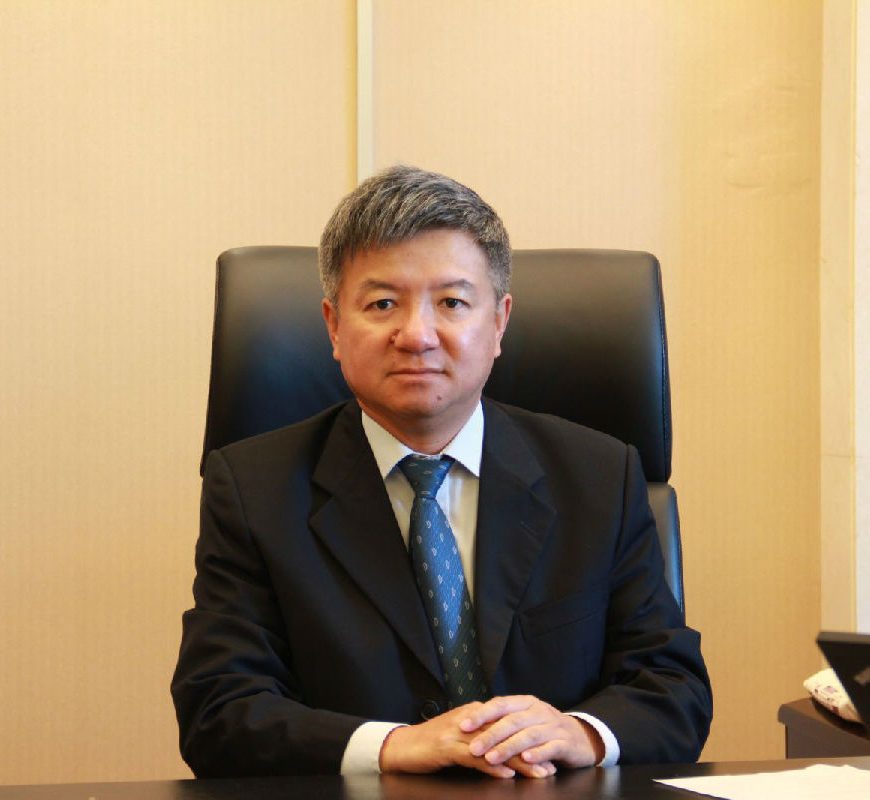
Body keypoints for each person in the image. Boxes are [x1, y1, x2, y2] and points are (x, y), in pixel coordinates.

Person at [171, 165, 711, 778]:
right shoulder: (253, 489)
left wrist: (580, 732)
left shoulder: (599, 476)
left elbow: (673, 687)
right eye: (382, 304)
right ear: (334, 326)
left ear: (499, 322)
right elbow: (219, 710)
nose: (417, 335)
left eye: (452, 302)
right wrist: (392, 747)